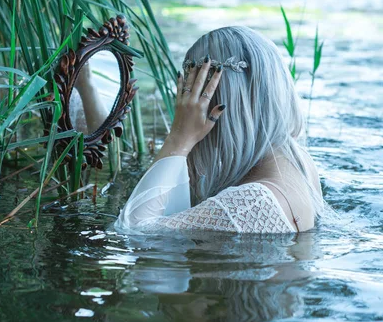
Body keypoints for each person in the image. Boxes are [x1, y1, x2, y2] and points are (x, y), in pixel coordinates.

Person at [114, 26, 326, 234]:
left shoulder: (252, 202)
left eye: (193, 94)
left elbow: (133, 233)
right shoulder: (301, 163)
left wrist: (179, 140)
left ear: (216, 102)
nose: (188, 106)